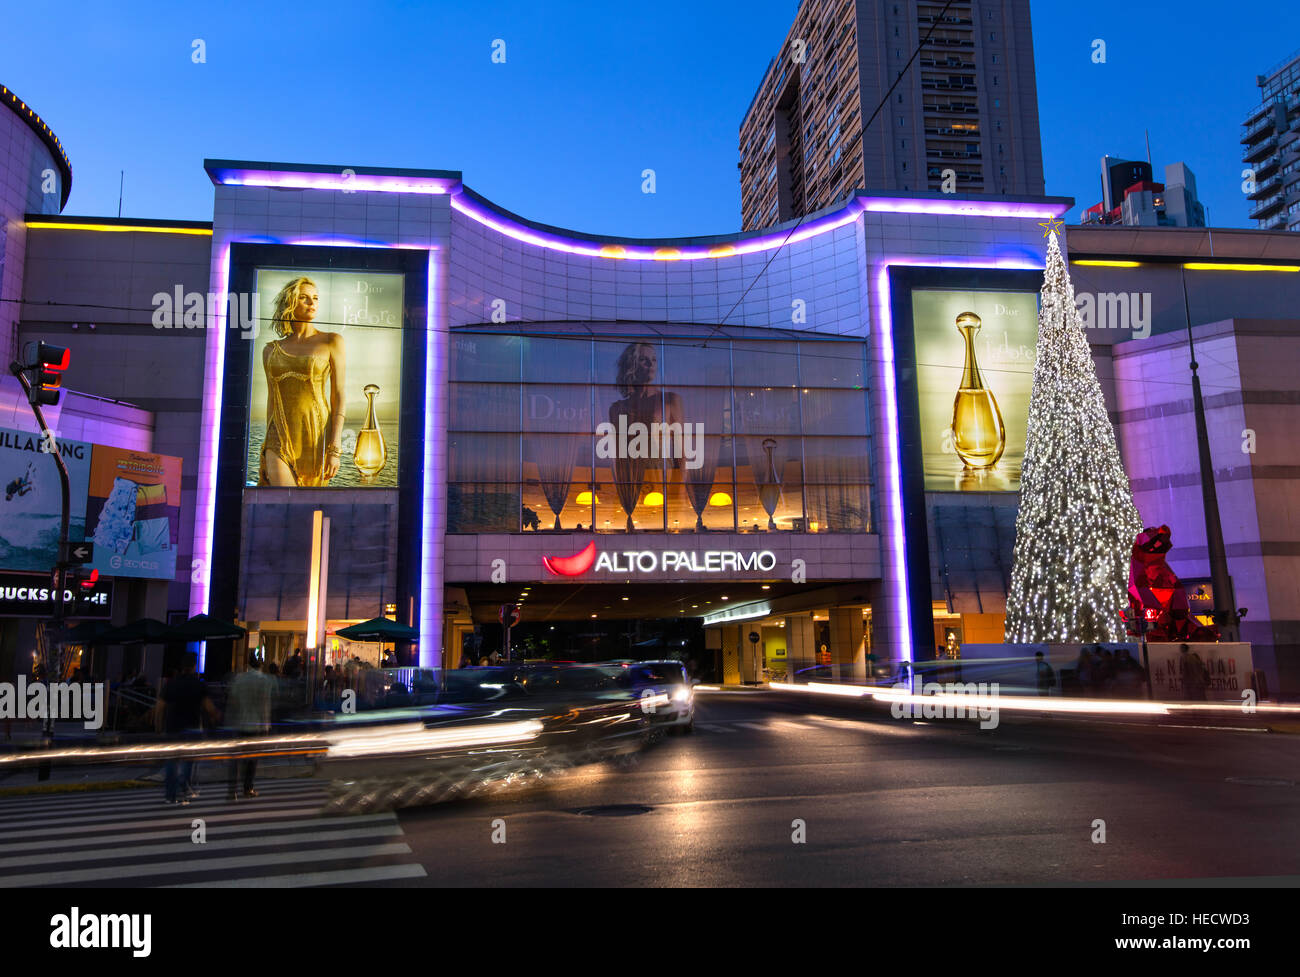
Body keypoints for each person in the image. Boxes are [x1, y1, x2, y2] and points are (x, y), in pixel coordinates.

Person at [258, 276, 347, 487]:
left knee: (306, 503)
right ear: (290, 302)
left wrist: (334, 448)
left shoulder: (331, 341)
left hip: (315, 434)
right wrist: (265, 446)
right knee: (285, 500)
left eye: (315, 298)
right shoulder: (270, 350)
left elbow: (339, 395)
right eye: (304, 298)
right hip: (278, 435)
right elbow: (272, 399)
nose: (312, 303)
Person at [155, 652, 219, 805]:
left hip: (172, 726)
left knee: (171, 761)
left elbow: (160, 707)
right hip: (192, 726)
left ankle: (170, 794)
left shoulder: (171, 684)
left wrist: (158, 727)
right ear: (194, 666)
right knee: (188, 760)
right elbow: (209, 707)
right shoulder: (198, 684)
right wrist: (215, 718)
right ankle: (184, 786)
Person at [225, 652, 273, 799]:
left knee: (236, 758)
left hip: (239, 722)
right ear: (260, 666)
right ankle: (248, 788)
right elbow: (265, 704)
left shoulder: (239, 679)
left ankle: (232, 790)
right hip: (256, 724)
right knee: (252, 759)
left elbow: (233, 701)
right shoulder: (264, 680)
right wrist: (266, 725)